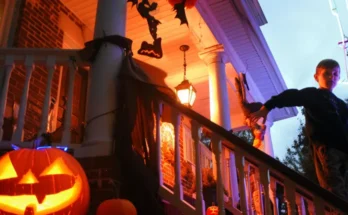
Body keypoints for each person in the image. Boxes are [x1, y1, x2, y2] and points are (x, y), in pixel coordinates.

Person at [249, 59, 348, 201]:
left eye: (335, 74)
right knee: (333, 187)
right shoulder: (314, 94)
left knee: (343, 187)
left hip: (344, 151)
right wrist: (267, 108)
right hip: (327, 148)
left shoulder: (341, 105)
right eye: (327, 74)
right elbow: (291, 96)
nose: (332, 77)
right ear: (316, 77)